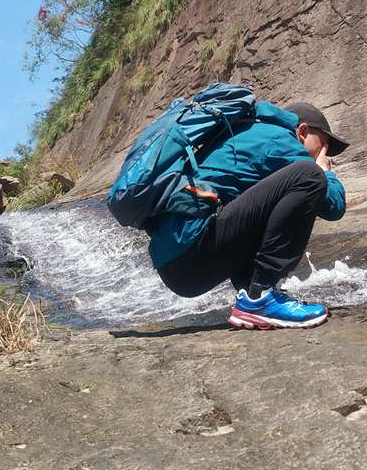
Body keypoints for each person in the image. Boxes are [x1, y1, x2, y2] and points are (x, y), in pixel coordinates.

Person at [149, 100, 348, 329]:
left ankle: (253, 294)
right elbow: (335, 206)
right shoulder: (279, 139)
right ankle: (261, 297)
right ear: (302, 131)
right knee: (309, 176)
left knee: (265, 201)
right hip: (192, 251)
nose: (323, 154)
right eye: (322, 146)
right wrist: (325, 171)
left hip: (178, 268)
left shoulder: (246, 134)